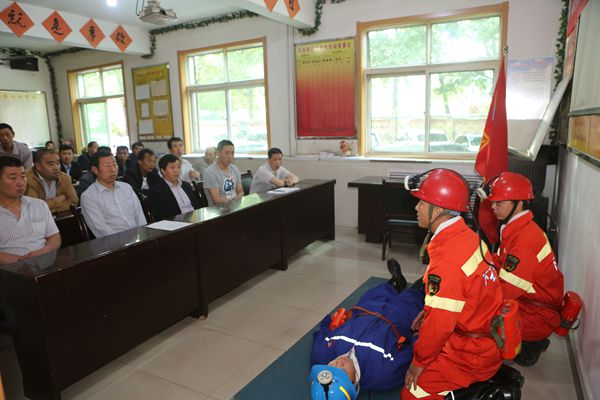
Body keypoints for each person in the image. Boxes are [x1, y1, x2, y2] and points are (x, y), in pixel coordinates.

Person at [401, 169, 503, 400]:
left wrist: (420, 362)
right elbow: (460, 295)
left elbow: (441, 324)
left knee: (411, 393)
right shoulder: (468, 237)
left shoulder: (448, 259)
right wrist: (429, 310)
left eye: (421, 203)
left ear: (437, 210)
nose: (416, 208)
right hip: (483, 336)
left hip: (471, 353)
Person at [481, 172, 564, 367]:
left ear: (518, 204)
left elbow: (507, 291)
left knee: (478, 321)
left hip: (536, 314)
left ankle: (529, 343)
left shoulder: (525, 238)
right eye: (493, 202)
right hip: (529, 303)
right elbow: (497, 263)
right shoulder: (515, 229)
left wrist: (476, 297)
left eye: (499, 203)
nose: (493, 207)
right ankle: (529, 342)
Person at [310, 260, 423, 399]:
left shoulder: (321, 354)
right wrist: (417, 335)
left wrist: (330, 320)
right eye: (342, 372)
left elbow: (323, 331)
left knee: (379, 291)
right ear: (354, 384)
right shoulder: (381, 374)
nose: (338, 363)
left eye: (330, 369)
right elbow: (410, 355)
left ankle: (396, 282)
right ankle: (420, 286)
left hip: (365, 310)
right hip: (397, 320)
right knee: (412, 299)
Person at [0, 156, 61, 265]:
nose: (21, 183)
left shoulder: (39, 205)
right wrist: (25, 263)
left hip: (45, 264)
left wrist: (43, 253)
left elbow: (54, 237)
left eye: (23, 176)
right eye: (13, 178)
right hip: (9, 270)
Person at [80, 150, 147, 238]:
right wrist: (126, 241)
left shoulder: (126, 188)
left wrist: (142, 236)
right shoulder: (89, 197)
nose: (113, 169)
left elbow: (139, 216)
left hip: (138, 238)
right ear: (95, 170)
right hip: (113, 243)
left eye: (115, 165)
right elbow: (101, 229)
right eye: (107, 166)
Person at [148, 154, 201, 222]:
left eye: (178, 167)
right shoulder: (156, 191)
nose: (176, 170)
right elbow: (160, 216)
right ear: (163, 171)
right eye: (172, 168)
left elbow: (196, 207)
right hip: (176, 224)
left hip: (195, 220)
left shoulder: (186, 185)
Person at [25, 149, 78, 214]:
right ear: (38, 166)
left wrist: (47, 205)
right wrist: (58, 200)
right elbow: (35, 209)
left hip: (63, 217)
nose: (56, 168)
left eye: (58, 163)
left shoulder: (65, 178)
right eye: (51, 164)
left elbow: (74, 201)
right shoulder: (27, 180)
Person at [203, 140, 244, 206]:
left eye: (232, 153)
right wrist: (234, 203)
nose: (230, 156)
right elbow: (217, 199)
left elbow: (240, 192)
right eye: (226, 153)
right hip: (218, 209)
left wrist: (236, 202)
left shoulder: (235, 169)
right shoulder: (210, 172)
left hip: (234, 206)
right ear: (218, 153)